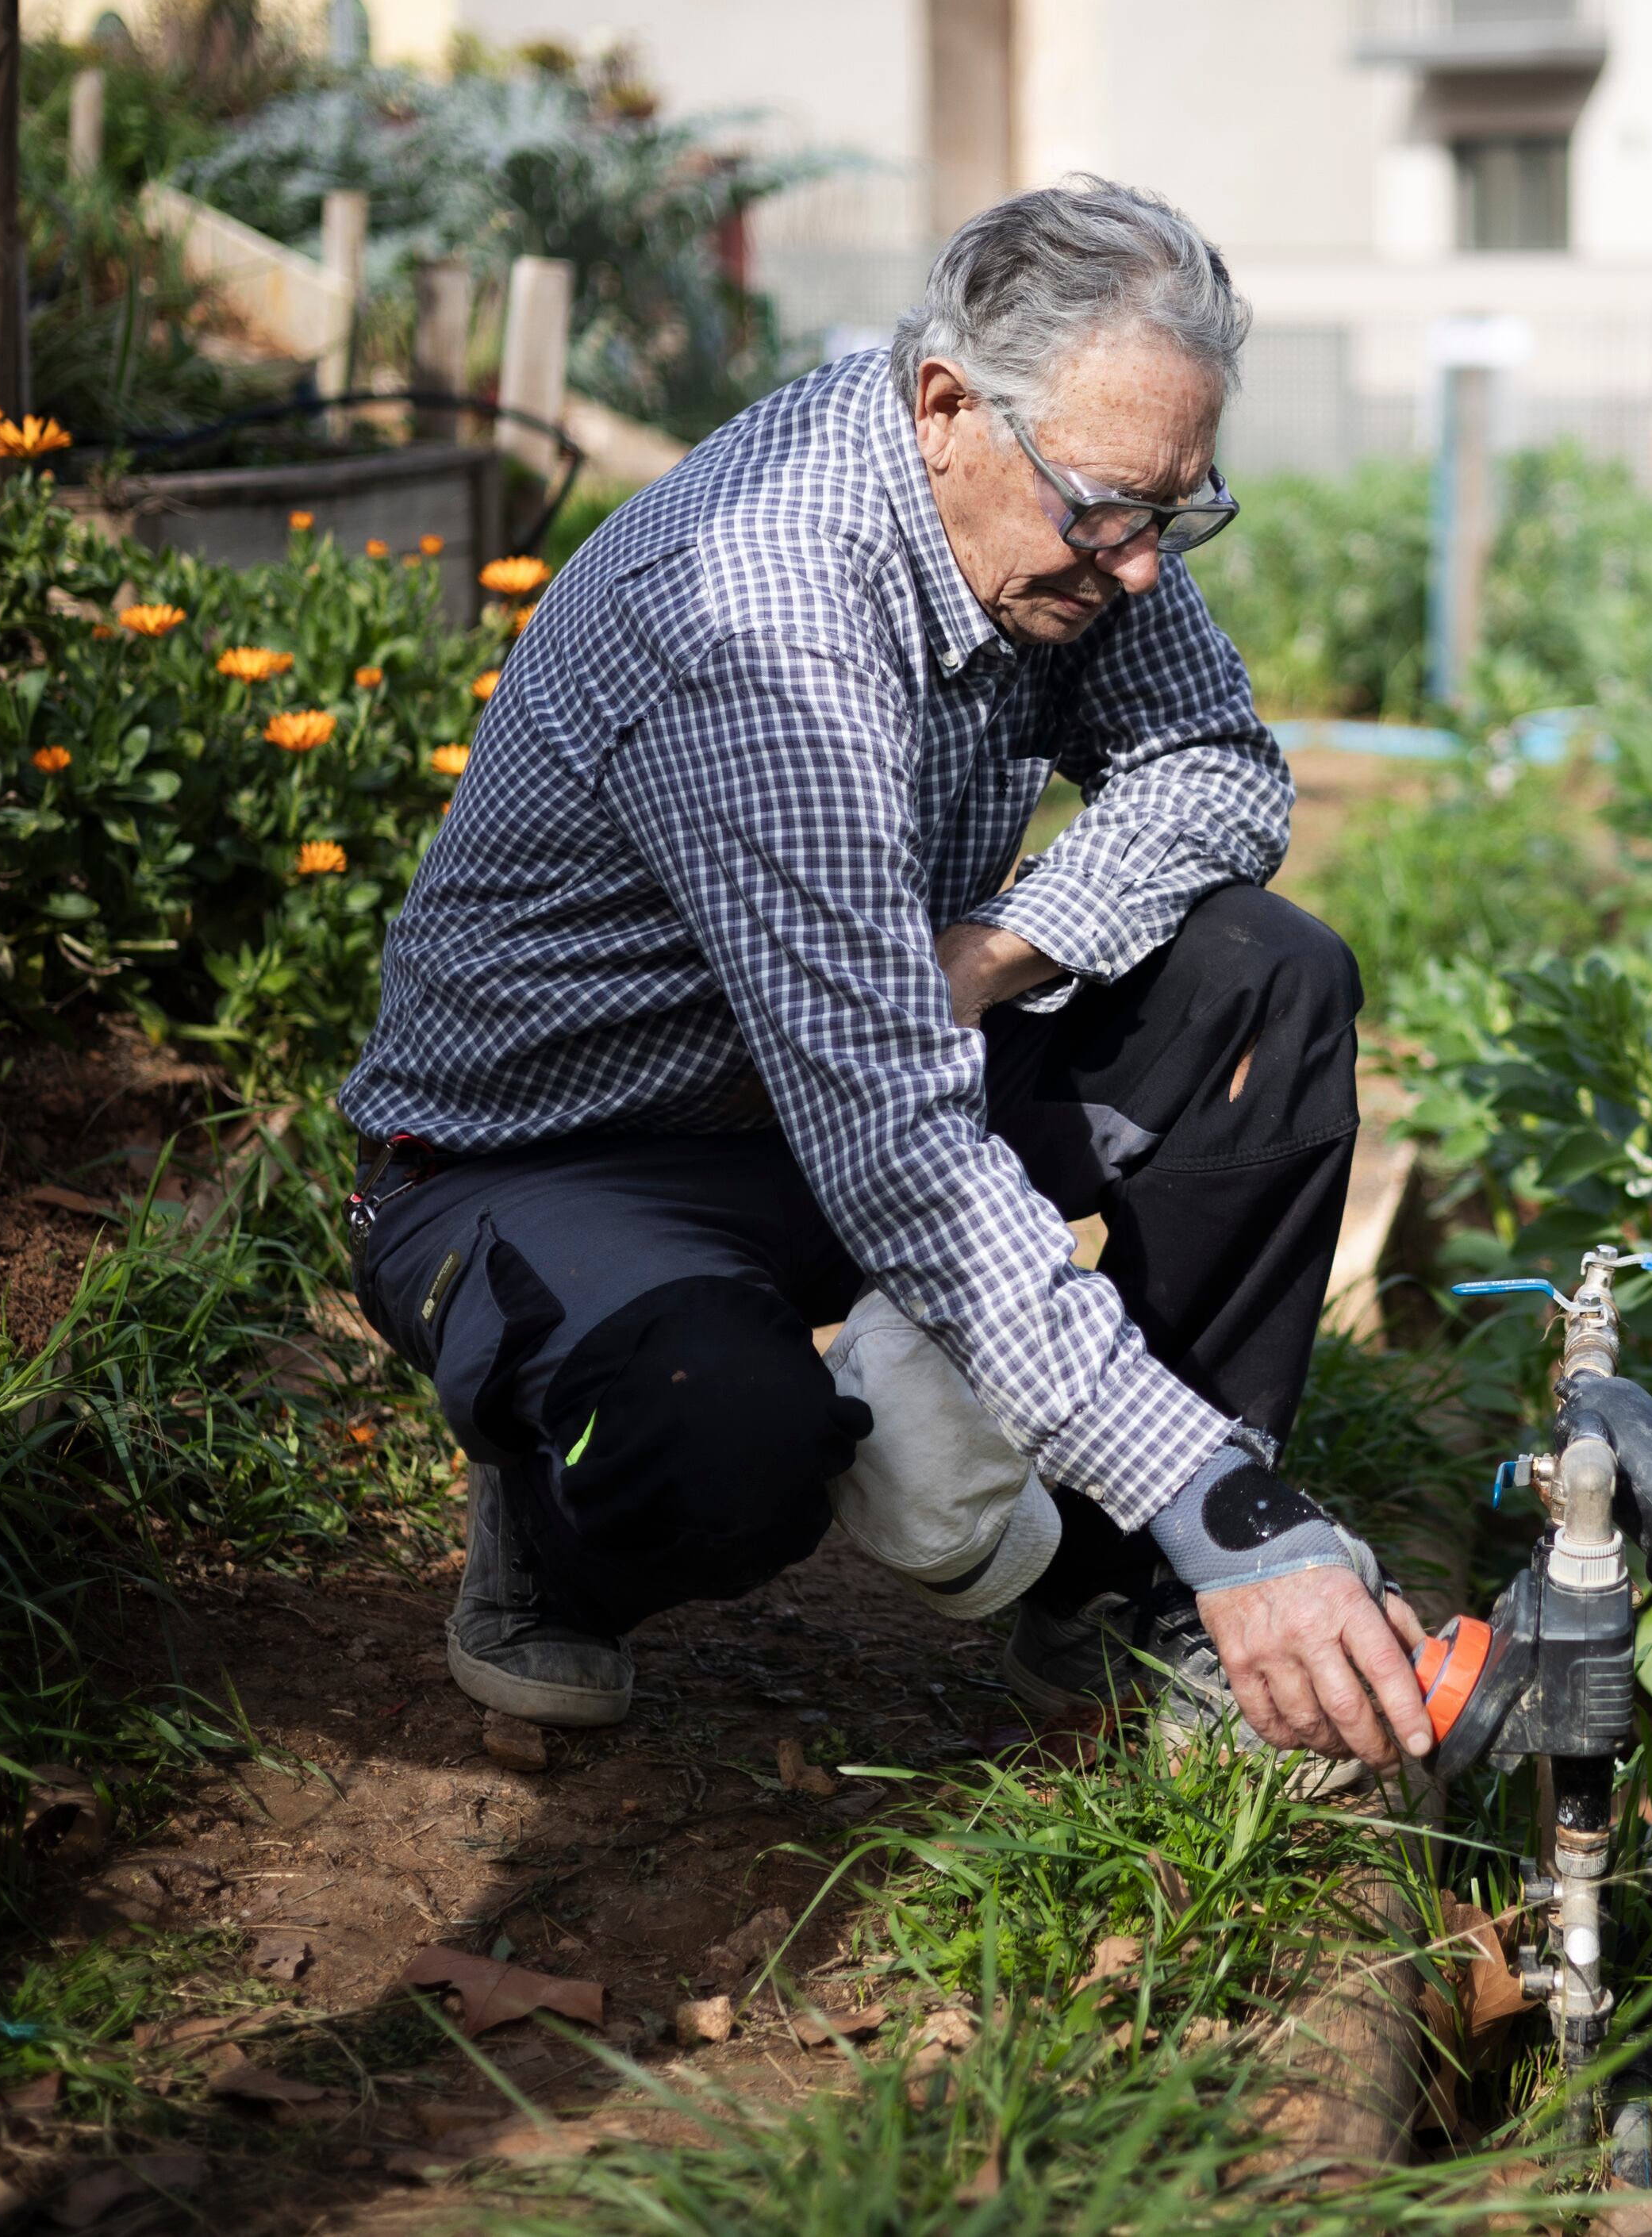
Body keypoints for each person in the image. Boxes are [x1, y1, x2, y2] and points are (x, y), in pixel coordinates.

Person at [336, 178, 1435, 1782]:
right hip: (559, 1152)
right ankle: (553, 1508)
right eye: (1114, 513)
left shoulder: (1057, 496)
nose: (1140, 570)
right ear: (943, 406)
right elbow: (901, 1152)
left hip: (857, 1068)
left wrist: (994, 947)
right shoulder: (765, 622)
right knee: (728, 1438)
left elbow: (1217, 769)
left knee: (1260, 983)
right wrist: (1233, 1502)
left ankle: (1137, 1597)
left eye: (1177, 514)